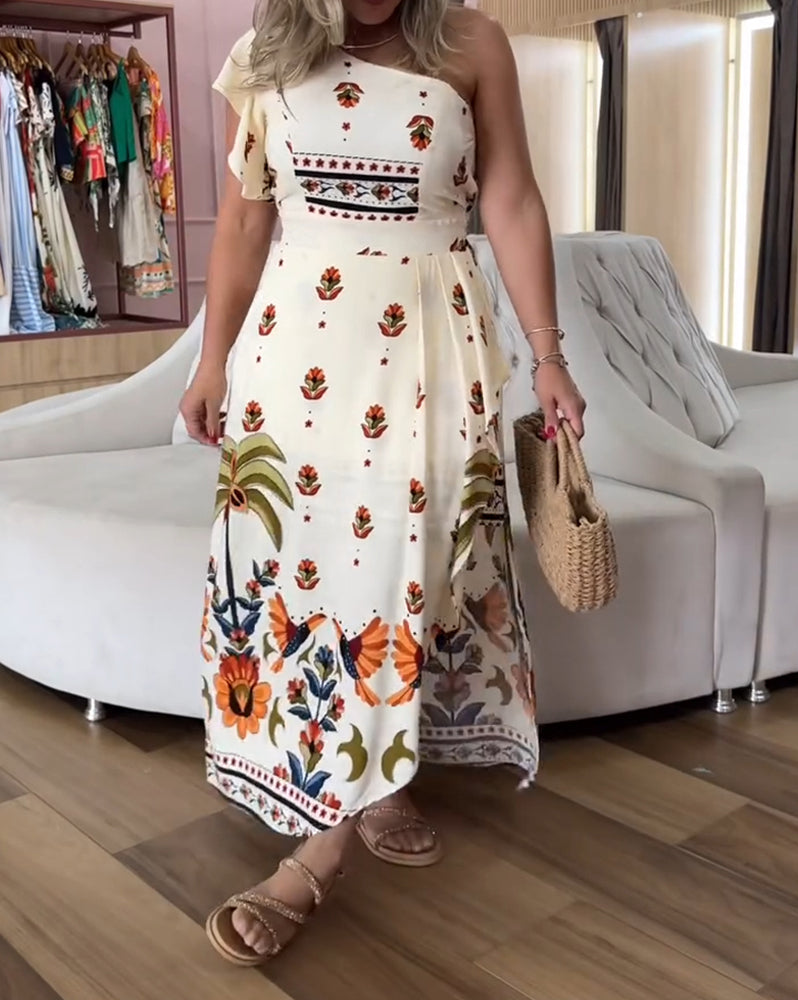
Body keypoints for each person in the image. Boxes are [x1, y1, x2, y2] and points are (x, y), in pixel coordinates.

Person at [180, 0, 586, 967]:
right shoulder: (263, 55)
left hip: (432, 348)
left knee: (409, 569)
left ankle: (322, 846)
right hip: (294, 358)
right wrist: (211, 361)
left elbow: (511, 200)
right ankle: (368, 781)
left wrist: (549, 355)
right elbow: (246, 218)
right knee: (310, 574)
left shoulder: (473, 43)